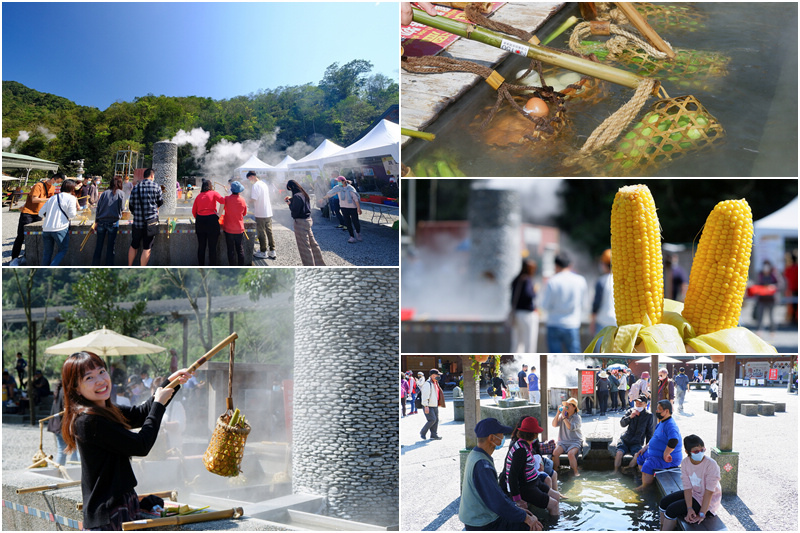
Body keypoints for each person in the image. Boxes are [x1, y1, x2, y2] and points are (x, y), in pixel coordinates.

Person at [60, 352, 192, 530]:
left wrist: (171, 382)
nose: (100, 380)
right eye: (89, 377)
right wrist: (159, 405)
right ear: (76, 388)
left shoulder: (105, 410)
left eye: (101, 372)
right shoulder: (89, 420)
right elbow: (140, 445)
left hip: (120, 504)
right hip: (108, 512)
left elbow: (140, 413)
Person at [458, 418, 543, 531]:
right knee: (533, 526)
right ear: (492, 438)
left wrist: (516, 508)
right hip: (482, 523)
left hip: (478, 517)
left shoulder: (476, 454)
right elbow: (497, 503)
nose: (503, 437)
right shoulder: (482, 465)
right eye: (501, 434)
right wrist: (525, 517)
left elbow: (497, 494)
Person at [501, 416, 561, 518]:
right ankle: (553, 526)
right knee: (554, 505)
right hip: (526, 488)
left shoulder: (525, 445)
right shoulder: (520, 450)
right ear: (534, 434)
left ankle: (554, 515)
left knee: (556, 496)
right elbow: (512, 475)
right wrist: (518, 499)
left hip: (534, 482)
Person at [658, 434, 722, 530]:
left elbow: (709, 492)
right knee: (664, 502)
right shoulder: (685, 463)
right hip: (695, 494)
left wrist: (701, 513)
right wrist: (689, 508)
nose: (700, 453)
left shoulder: (711, 465)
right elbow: (687, 488)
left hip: (709, 502)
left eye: (702, 450)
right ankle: (661, 528)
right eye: (696, 451)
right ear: (687, 452)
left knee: (671, 510)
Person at [11, 173, 64, 264]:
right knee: (21, 236)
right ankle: (14, 258)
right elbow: (34, 199)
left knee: (34, 235)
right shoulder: (38, 185)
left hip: (39, 214)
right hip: (28, 213)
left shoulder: (52, 187)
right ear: (53, 179)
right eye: (57, 182)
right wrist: (48, 200)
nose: (57, 184)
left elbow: (50, 200)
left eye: (59, 183)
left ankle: (27, 256)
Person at [540, 252, 588, 353]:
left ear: (556, 266)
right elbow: (584, 304)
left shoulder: (552, 281)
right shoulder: (580, 280)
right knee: (575, 357)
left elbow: (544, 305)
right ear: (570, 265)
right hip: (572, 323)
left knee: (555, 358)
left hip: (554, 323)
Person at [634, 399, 682, 491]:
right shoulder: (661, 422)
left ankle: (645, 487)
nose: (656, 411)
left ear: (666, 411)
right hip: (655, 452)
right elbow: (654, 438)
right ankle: (645, 477)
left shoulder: (671, 425)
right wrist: (645, 447)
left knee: (648, 465)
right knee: (640, 456)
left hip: (669, 458)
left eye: (659, 409)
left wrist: (666, 454)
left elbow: (674, 440)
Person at [127, 168, 163, 266]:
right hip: (150, 223)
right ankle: (142, 268)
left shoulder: (135, 188)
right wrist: (156, 210)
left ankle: (130, 266)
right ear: (152, 176)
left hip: (137, 223)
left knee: (134, 245)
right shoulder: (156, 187)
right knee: (147, 248)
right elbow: (160, 202)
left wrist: (136, 214)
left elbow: (131, 205)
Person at [39, 179, 79, 266]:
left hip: (46, 229)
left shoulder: (52, 198)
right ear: (72, 189)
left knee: (47, 253)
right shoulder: (71, 198)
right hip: (60, 228)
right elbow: (72, 215)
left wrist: (51, 216)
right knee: (63, 250)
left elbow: (40, 213)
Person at [285, 180, 326, 266]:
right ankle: (320, 264)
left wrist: (289, 204)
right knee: (313, 244)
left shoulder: (296, 196)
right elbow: (301, 203)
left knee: (304, 247)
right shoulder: (304, 194)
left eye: (290, 189)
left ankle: (309, 266)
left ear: (292, 188)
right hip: (308, 220)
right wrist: (291, 199)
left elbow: (295, 212)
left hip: (300, 222)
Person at [615, 394, 655, 473]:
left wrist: (647, 447)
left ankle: (627, 468)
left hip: (637, 442)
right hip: (625, 439)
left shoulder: (649, 416)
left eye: (640, 403)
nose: (638, 405)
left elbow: (649, 433)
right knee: (619, 453)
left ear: (645, 405)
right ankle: (616, 472)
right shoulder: (630, 411)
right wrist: (630, 417)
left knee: (638, 455)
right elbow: (622, 424)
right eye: (636, 403)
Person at [92, 176, 125, 266]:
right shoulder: (121, 193)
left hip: (101, 222)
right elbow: (122, 208)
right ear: (120, 184)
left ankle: (95, 265)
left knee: (98, 246)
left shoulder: (104, 193)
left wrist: (96, 222)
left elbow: (98, 209)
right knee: (111, 247)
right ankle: (109, 265)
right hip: (113, 223)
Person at [191, 179, 225, 266]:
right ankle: (213, 266)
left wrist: (199, 218)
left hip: (200, 221)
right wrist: (219, 214)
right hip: (212, 221)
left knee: (201, 246)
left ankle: (201, 266)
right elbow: (223, 201)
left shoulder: (198, 196)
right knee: (212, 247)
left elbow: (194, 211)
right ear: (210, 186)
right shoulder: (214, 193)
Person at [47, 380, 80, 466]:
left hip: (57, 425)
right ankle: (74, 470)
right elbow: (67, 409)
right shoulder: (66, 391)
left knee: (62, 451)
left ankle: (58, 471)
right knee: (75, 449)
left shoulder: (59, 390)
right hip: (63, 426)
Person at [509, 259, 539, 353]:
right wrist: (535, 291)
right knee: (529, 342)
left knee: (517, 342)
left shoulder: (517, 279)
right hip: (527, 314)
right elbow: (529, 295)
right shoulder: (527, 280)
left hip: (517, 313)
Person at [321, 176, 362, 243]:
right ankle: (352, 236)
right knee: (348, 222)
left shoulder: (350, 188)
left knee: (356, 222)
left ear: (343, 181)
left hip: (353, 208)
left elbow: (356, 199)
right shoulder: (338, 188)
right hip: (344, 208)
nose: (338, 183)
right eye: (337, 181)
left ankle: (358, 232)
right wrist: (323, 198)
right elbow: (330, 194)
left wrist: (358, 208)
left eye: (339, 181)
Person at [246, 171, 276, 260]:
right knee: (269, 231)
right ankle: (272, 251)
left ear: (252, 177)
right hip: (268, 212)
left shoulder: (256, 185)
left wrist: (245, 201)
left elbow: (254, 198)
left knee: (261, 232)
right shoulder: (264, 184)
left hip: (260, 212)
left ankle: (263, 252)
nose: (249, 181)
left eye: (249, 179)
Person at [552, 398, 583, 477]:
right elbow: (554, 425)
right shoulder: (563, 416)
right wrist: (558, 413)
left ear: (574, 407)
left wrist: (563, 417)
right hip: (563, 441)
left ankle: (575, 472)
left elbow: (570, 427)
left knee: (570, 454)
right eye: (566, 404)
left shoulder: (577, 417)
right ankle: (556, 470)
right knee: (555, 453)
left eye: (569, 405)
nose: (567, 406)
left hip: (575, 441)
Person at [590, 249, 616, 336]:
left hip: (603, 322)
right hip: (618, 322)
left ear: (604, 265)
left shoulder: (602, 281)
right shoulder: (621, 280)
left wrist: (592, 321)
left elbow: (596, 303)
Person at [222, 180, 248, 266]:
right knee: (240, 249)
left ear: (231, 190)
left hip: (228, 229)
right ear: (240, 191)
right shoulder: (243, 200)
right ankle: (241, 266)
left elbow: (223, 209)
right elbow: (244, 213)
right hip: (239, 229)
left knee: (230, 249)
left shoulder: (226, 199)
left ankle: (232, 266)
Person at [754, 260, 779, 333]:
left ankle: (772, 330)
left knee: (772, 316)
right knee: (760, 316)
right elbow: (756, 285)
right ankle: (759, 330)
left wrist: (773, 286)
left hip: (771, 299)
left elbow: (780, 284)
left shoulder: (774, 274)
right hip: (761, 299)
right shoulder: (760, 274)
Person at [420, 369, 444, 440]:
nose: (439, 376)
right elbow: (425, 396)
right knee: (432, 420)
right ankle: (423, 432)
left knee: (436, 420)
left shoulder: (435, 383)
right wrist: (425, 406)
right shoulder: (427, 384)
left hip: (434, 405)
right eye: (437, 375)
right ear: (433, 375)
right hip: (428, 405)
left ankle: (434, 434)